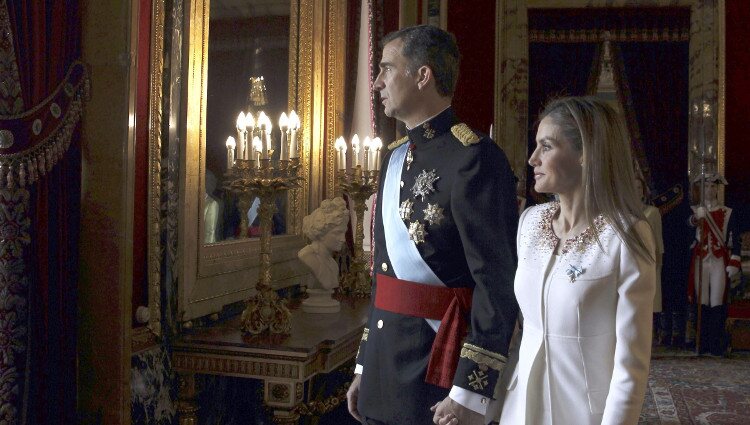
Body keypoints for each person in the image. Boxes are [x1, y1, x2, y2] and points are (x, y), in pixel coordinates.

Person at [346, 25, 519, 425]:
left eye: (388, 69)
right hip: (383, 370)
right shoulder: (393, 158)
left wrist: (470, 392)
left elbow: (495, 285)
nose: (377, 82)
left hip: (438, 374)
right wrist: (363, 367)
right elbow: (383, 278)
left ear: (422, 76)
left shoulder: (475, 158)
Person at [487, 96, 656, 425]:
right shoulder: (530, 222)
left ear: (585, 154)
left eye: (546, 146)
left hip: (584, 414)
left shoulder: (625, 235)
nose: (532, 158)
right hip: (519, 409)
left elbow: (630, 364)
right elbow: (518, 331)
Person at [687, 173, 741, 356]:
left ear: (718, 189)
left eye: (713, 187)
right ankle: (702, 343)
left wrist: (735, 260)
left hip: (718, 260)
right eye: (706, 187)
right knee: (701, 301)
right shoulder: (695, 210)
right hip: (700, 260)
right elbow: (686, 234)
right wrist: (696, 219)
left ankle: (716, 344)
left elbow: (734, 239)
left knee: (717, 300)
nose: (710, 190)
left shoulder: (728, 212)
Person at [635, 173, 665, 341]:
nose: (636, 190)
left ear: (643, 191)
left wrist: (658, 263)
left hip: (648, 261)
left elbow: (658, 240)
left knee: (648, 300)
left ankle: (648, 338)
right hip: (629, 261)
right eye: (633, 187)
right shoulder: (623, 211)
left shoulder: (652, 212)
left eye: (639, 187)